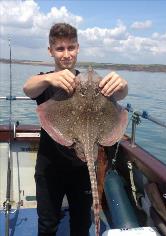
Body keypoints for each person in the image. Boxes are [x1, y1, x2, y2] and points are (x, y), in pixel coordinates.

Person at [23, 23, 128, 236]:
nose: (66, 54)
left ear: (78, 48)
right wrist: (47, 78)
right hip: (49, 168)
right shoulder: (45, 81)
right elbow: (28, 88)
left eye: (71, 48)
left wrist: (123, 85)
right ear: (50, 51)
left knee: (81, 224)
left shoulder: (94, 85)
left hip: (82, 167)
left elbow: (120, 96)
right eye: (60, 49)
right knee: (47, 224)